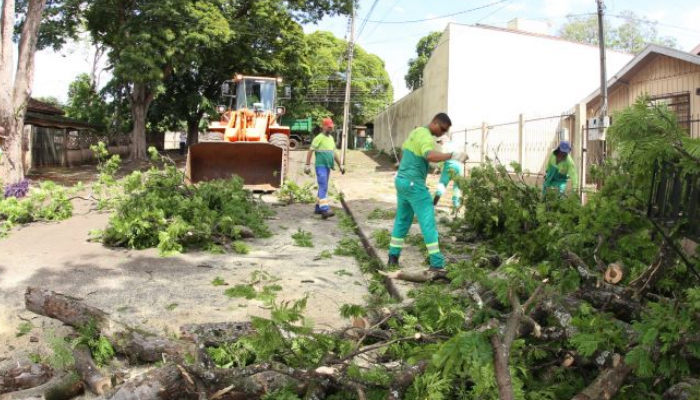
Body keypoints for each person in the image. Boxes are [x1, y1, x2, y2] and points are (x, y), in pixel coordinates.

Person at [388, 113, 468, 271]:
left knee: (402, 220)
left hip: (402, 182)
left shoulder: (416, 132)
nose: (443, 133)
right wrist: (453, 155)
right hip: (414, 185)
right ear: (436, 123)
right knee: (428, 222)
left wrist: (402, 165)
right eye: (443, 129)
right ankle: (436, 263)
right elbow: (430, 155)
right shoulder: (425, 136)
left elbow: (406, 151)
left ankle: (393, 257)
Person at [304, 118, 345, 219]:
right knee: (323, 186)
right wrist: (307, 164)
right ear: (323, 126)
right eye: (329, 127)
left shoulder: (331, 138)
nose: (331, 128)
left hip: (327, 167)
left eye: (332, 127)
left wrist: (340, 165)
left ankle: (318, 208)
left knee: (323, 186)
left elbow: (334, 153)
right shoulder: (318, 138)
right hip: (320, 166)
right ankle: (325, 209)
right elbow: (310, 151)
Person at [433, 135, 465, 208]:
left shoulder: (445, 146)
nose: (440, 144)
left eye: (440, 142)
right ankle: (456, 205)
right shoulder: (456, 145)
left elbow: (443, 157)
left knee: (442, 184)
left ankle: (433, 205)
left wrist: (438, 168)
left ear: (444, 140)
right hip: (459, 166)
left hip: (449, 166)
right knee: (457, 185)